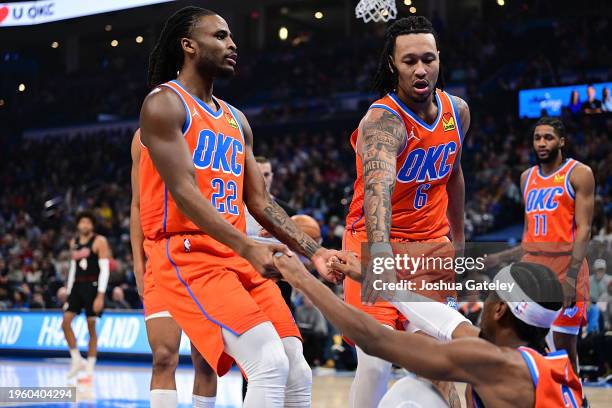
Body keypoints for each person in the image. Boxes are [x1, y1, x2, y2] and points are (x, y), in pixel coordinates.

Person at [139, 7, 337, 406]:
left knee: (296, 365)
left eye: (231, 37)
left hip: (234, 255)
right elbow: (184, 193)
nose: (233, 44)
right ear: (189, 45)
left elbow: (260, 201)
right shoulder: (164, 104)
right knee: (267, 363)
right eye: (221, 36)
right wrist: (248, 245)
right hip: (188, 253)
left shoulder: (236, 120)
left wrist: (317, 252)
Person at [342, 16, 469, 407]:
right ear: (393, 64)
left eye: (427, 59)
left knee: (440, 362)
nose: (420, 69)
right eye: (409, 60)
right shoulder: (382, 121)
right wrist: (381, 259)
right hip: (374, 242)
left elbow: (454, 173)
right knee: (377, 362)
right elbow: (378, 191)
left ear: (439, 60)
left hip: (431, 245)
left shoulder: (457, 111)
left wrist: (458, 239)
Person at [273, 252, 583, 407]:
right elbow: (445, 320)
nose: (482, 302)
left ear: (500, 310)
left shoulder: (497, 364)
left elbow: (375, 339)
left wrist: (301, 279)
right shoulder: (531, 357)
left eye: (490, 297)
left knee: (409, 395)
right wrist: (368, 276)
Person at [487, 117, 595, 376]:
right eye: (537, 138)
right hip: (534, 272)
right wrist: (499, 258)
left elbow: (584, 230)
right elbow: (530, 236)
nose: (542, 143)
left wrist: (571, 278)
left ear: (561, 141)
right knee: (531, 345)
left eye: (548, 137)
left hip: (566, 268)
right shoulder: (527, 178)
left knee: (563, 344)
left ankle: (575, 399)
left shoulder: (579, 174)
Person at [131, 129, 218, 408]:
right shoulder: (143, 136)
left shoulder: (211, 126)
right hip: (161, 256)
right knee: (163, 357)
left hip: (205, 255)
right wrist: (138, 265)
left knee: (205, 361)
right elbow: (137, 204)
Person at [62, 211, 111, 380]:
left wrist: (100, 295)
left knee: (91, 327)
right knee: (65, 322)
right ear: (78, 225)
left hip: (93, 286)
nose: (85, 225)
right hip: (77, 286)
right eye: (82, 222)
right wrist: (68, 293)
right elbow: (73, 269)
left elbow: (104, 269)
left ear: (92, 225)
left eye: (88, 222)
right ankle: (76, 359)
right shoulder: (73, 242)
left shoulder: (99, 241)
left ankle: (89, 367)